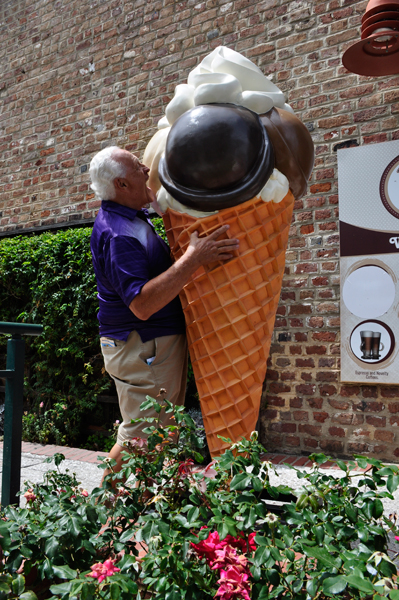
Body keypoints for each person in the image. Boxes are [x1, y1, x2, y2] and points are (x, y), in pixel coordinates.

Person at [89, 146, 239, 482]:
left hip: (148, 348)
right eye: (136, 166)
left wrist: (159, 209)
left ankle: (151, 508)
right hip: (144, 347)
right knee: (142, 435)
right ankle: (102, 513)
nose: (145, 168)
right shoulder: (119, 235)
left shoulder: (128, 216)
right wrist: (193, 259)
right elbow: (141, 304)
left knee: (160, 432)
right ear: (121, 184)